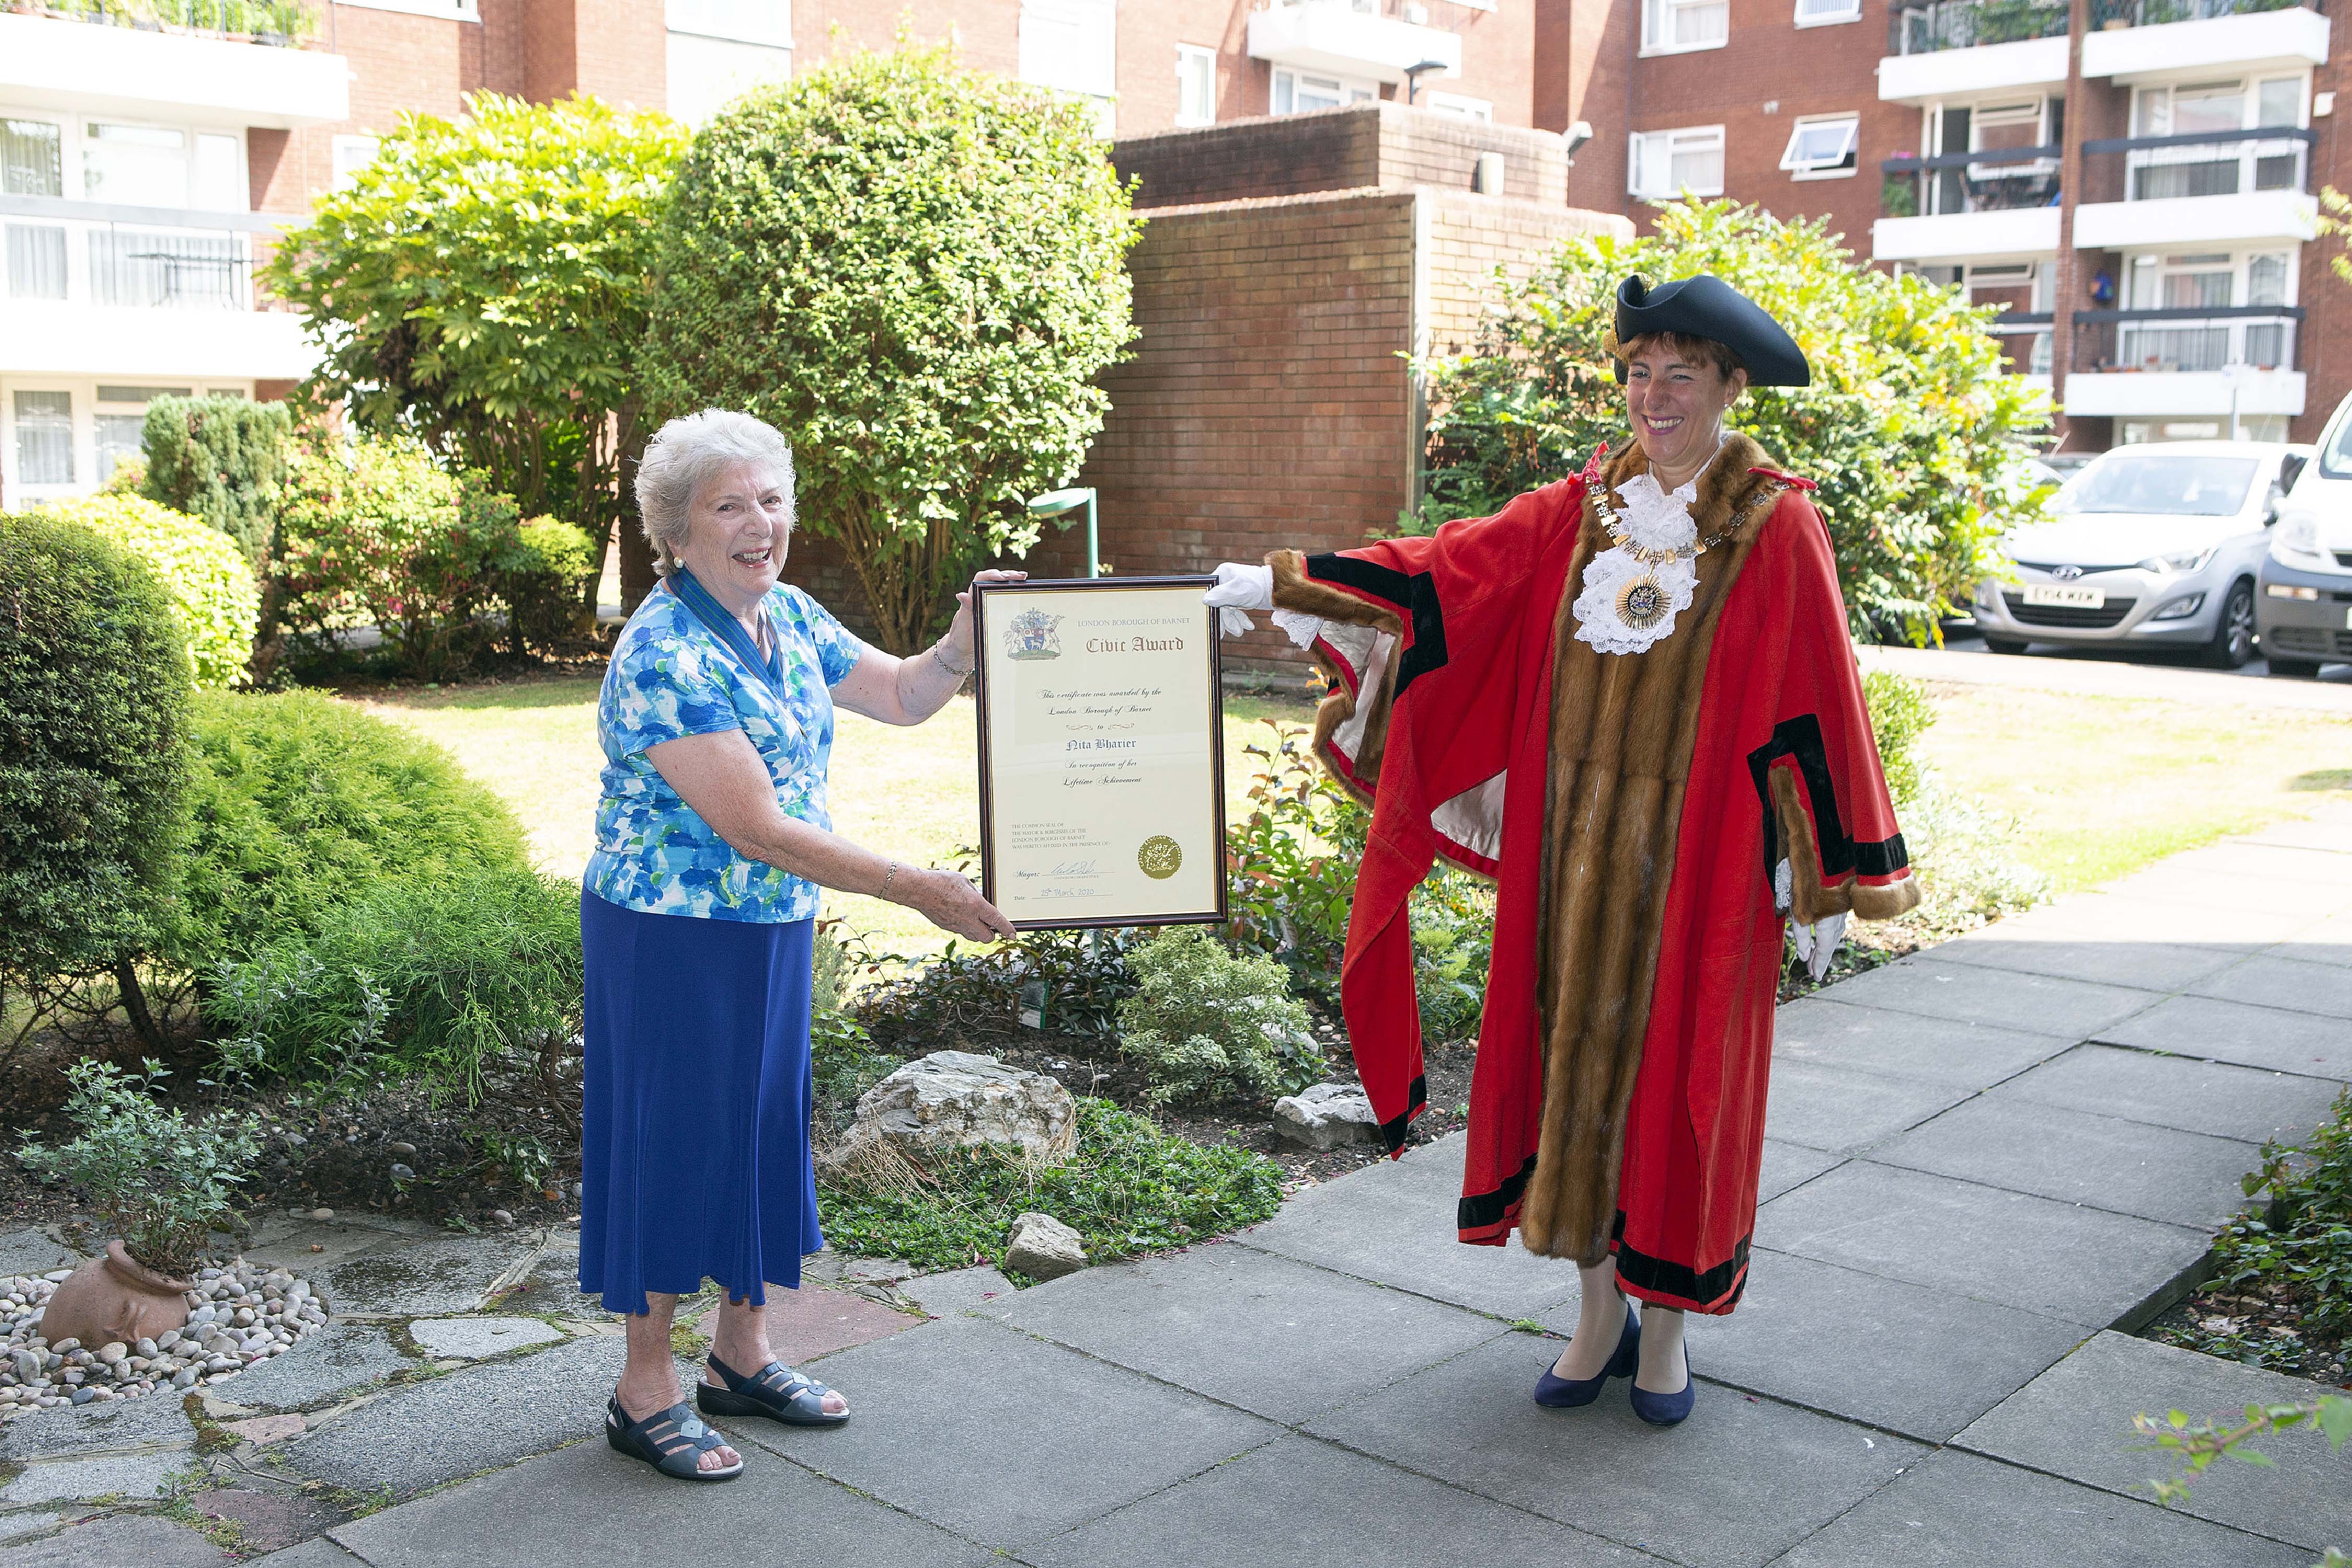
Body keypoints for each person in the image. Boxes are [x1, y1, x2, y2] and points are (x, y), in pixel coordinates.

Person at [1205, 275, 1917, 1427]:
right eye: (1638, 373)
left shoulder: (1778, 525)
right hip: (1569, 863)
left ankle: (1667, 1328)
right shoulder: (1582, 508)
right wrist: (1289, 581)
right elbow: (1452, 571)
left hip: (1703, 874)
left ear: (1731, 387)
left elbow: (1819, 700)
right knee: (1564, 1081)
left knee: (1684, 1094)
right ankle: (1596, 1313)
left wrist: (1822, 873)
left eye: (1680, 374)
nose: (1652, 397)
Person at [581, 409, 1017, 1481]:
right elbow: (758, 827)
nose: (759, 523)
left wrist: (964, 640)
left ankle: (742, 1355)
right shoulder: (665, 653)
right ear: (674, 534)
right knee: (675, 1141)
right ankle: (645, 1392)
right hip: (671, 937)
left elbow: (906, 695)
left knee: (757, 1133)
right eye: (728, 506)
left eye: (770, 499)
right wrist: (915, 887)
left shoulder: (791, 617)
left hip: (769, 927)